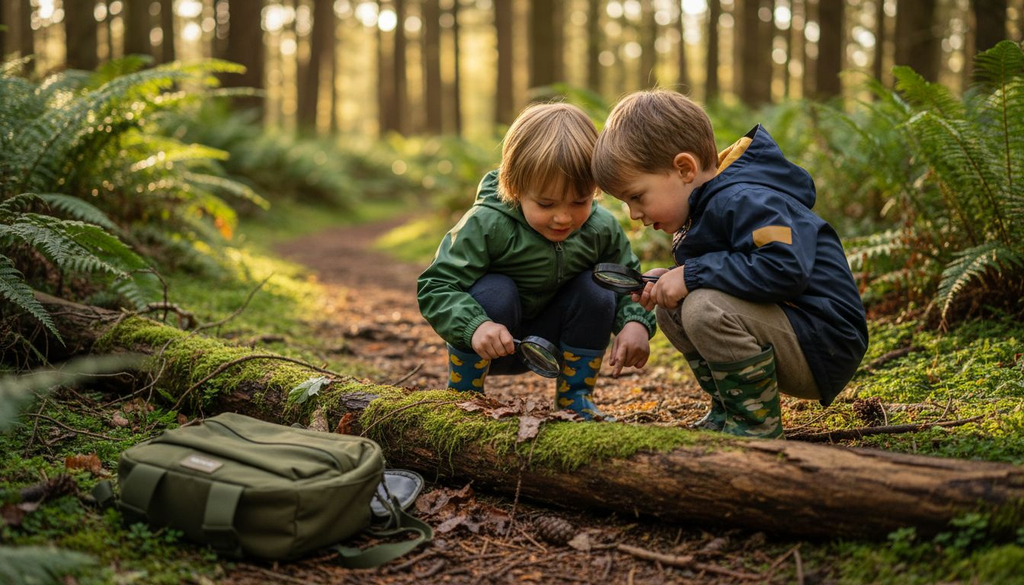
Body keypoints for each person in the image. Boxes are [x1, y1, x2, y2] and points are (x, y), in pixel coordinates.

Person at [591, 90, 868, 438]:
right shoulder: (707, 208)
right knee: (672, 310)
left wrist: (692, 275)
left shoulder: (748, 199)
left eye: (636, 196)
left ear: (684, 168)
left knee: (703, 308)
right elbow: (732, 275)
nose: (634, 214)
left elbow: (784, 267)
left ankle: (755, 426)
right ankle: (729, 410)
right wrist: (671, 278)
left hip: (825, 343)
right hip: (794, 334)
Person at [417, 102, 656, 421]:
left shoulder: (601, 229)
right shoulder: (486, 224)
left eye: (579, 201)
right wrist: (475, 326)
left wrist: (635, 323)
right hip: (491, 343)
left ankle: (576, 398)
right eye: (546, 204)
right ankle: (464, 394)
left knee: (598, 288)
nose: (563, 217)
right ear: (515, 188)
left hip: (558, 345)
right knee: (496, 289)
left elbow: (629, 283)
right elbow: (436, 285)